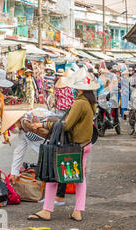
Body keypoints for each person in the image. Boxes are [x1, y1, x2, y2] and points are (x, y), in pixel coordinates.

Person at [28, 69, 98, 221]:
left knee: (54, 175)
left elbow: (66, 125)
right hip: (85, 145)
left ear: (79, 87)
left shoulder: (80, 103)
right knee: (79, 178)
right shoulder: (91, 103)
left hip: (73, 146)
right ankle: (78, 211)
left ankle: (46, 210)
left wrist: (45, 123)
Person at [2, 109, 67, 205]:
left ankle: (60, 197)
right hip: (47, 149)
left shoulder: (34, 117)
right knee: (49, 172)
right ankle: (51, 198)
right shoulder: (23, 132)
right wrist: (13, 172)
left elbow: (53, 121)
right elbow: (19, 151)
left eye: (12, 126)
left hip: (58, 142)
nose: (12, 130)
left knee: (59, 170)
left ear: (17, 121)